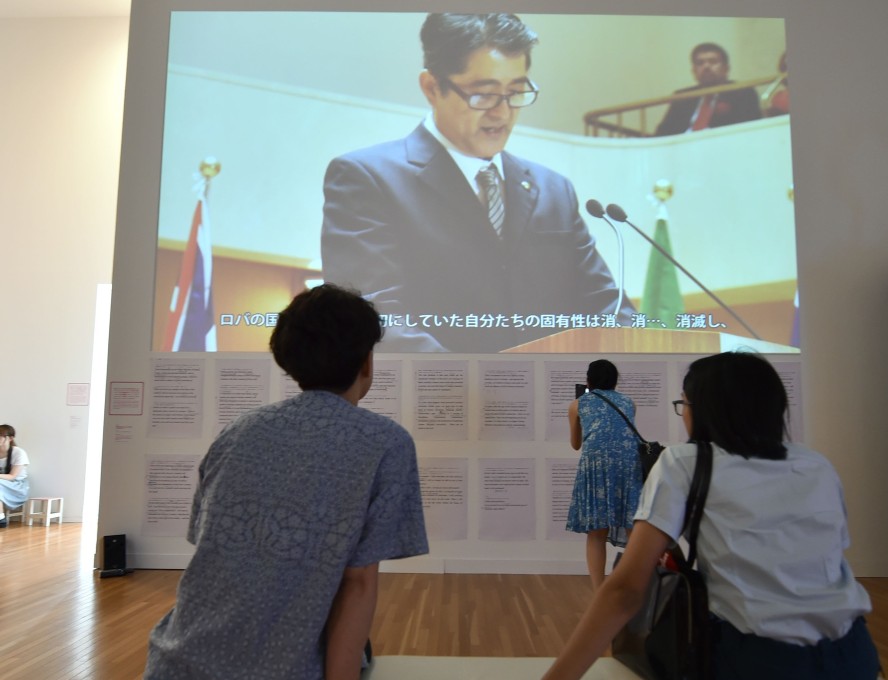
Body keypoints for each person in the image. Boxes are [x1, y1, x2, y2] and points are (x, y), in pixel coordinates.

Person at [144, 284, 429, 680]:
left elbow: (206, 541)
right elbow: (358, 584)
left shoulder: (240, 430)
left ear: (289, 359)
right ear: (366, 362)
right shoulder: (386, 443)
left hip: (175, 661)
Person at [544, 352, 881, 680]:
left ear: (705, 409)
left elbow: (625, 591)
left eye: (684, 405)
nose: (684, 414)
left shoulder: (684, 462)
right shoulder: (816, 464)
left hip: (757, 657)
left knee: (597, 537)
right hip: (854, 653)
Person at [321, 13, 633, 354]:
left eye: (516, 92)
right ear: (431, 87)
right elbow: (374, 317)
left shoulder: (553, 190)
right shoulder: (367, 179)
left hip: (550, 399)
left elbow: (608, 307)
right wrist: (481, 381)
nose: (502, 112)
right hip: (438, 399)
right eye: (484, 94)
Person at [565, 360, 643, 590]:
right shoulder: (629, 402)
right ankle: (634, 588)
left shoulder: (577, 404)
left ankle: (599, 591)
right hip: (628, 466)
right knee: (633, 531)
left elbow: (576, 444)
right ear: (614, 380)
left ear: (588, 380)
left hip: (596, 467)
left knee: (596, 533)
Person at [654, 42, 762, 136]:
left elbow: (749, 131)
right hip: (683, 150)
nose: (706, 66)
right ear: (694, 71)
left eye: (713, 62)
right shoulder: (682, 96)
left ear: (726, 68)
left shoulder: (742, 92)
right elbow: (663, 133)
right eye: (700, 63)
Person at [0, 424, 30, 527]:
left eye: (0, 435)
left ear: (10, 438)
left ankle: (1, 518)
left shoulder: (18, 453)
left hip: (18, 486)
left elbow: (12, 476)